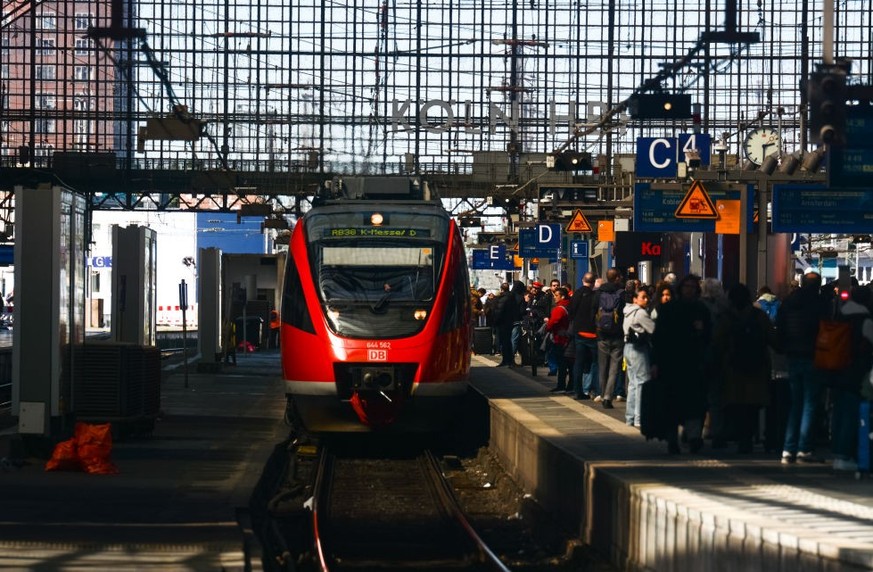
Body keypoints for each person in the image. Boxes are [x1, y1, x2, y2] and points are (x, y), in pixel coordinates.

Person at [651, 274, 712, 454]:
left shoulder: (701, 309)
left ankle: (693, 437)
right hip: (672, 362)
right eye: (686, 286)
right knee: (672, 402)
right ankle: (672, 439)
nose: (689, 290)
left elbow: (709, 336)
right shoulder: (669, 309)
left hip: (694, 363)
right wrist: (655, 362)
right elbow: (659, 337)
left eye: (693, 287)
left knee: (695, 403)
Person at [712, 283, 777, 453]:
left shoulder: (725, 318)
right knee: (753, 406)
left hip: (732, 368)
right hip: (757, 366)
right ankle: (748, 437)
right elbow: (773, 339)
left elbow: (717, 343)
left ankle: (738, 436)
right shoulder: (759, 316)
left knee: (735, 404)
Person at [775, 269, 828, 464]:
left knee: (795, 403)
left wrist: (783, 347)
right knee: (810, 404)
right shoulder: (820, 303)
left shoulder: (788, 302)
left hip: (792, 356)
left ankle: (788, 449)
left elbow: (780, 327)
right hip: (814, 356)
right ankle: (804, 448)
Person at [828, 285, 873, 471]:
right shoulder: (865, 320)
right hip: (856, 373)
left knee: (839, 411)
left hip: (836, 368)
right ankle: (844, 454)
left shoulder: (839, 315)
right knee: (851, 413)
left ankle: (837, 451)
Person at [622, 287, 655, 427]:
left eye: (647, 297)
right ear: (635, 299)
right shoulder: (640, 312)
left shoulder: (627, 311)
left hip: (627, 348)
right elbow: (654, 330)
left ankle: (630, 418)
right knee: (642, 382)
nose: (646, 300)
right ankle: (639, 418)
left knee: (633, 384)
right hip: (639, 349)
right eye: (643, 297)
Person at [595, 268, 626, 409]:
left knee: (602, 367)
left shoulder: (599, 293)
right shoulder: (622, 293)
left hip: (602, 335)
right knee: (614, 368)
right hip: (618, 335)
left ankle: (602, 394)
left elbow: (593, 311)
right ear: (617, 278)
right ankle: (608, 396)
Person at [568, 272, 601, 401]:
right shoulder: (595, 296)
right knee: (595, 363)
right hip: (593, 333)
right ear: (593, 283)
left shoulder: (577, 294)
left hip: (579, 332)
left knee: (579, 363)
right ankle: (596, 390)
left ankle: (578, 391)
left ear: (583, 280)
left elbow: (571, 312)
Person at [545, 287, 572, 392]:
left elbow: (552, 322)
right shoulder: (570, 306)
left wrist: (548, 327)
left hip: (560, 338)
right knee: (570, 363)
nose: (554, 298)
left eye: (556, 296)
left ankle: (561, 385)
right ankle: (571, 385)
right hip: (570, 337)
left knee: (561, 363)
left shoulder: (559, 309)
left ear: (562, 296)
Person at [494, 280, 526, 367]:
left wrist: (496, 321)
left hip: (504, 322)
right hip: (515, 321)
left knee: (505, 342)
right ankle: (511, 360)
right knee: (513, 341)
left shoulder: (505, 297)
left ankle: (506, 360)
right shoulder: (519, 297)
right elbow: (521, 310)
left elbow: (499, 310)